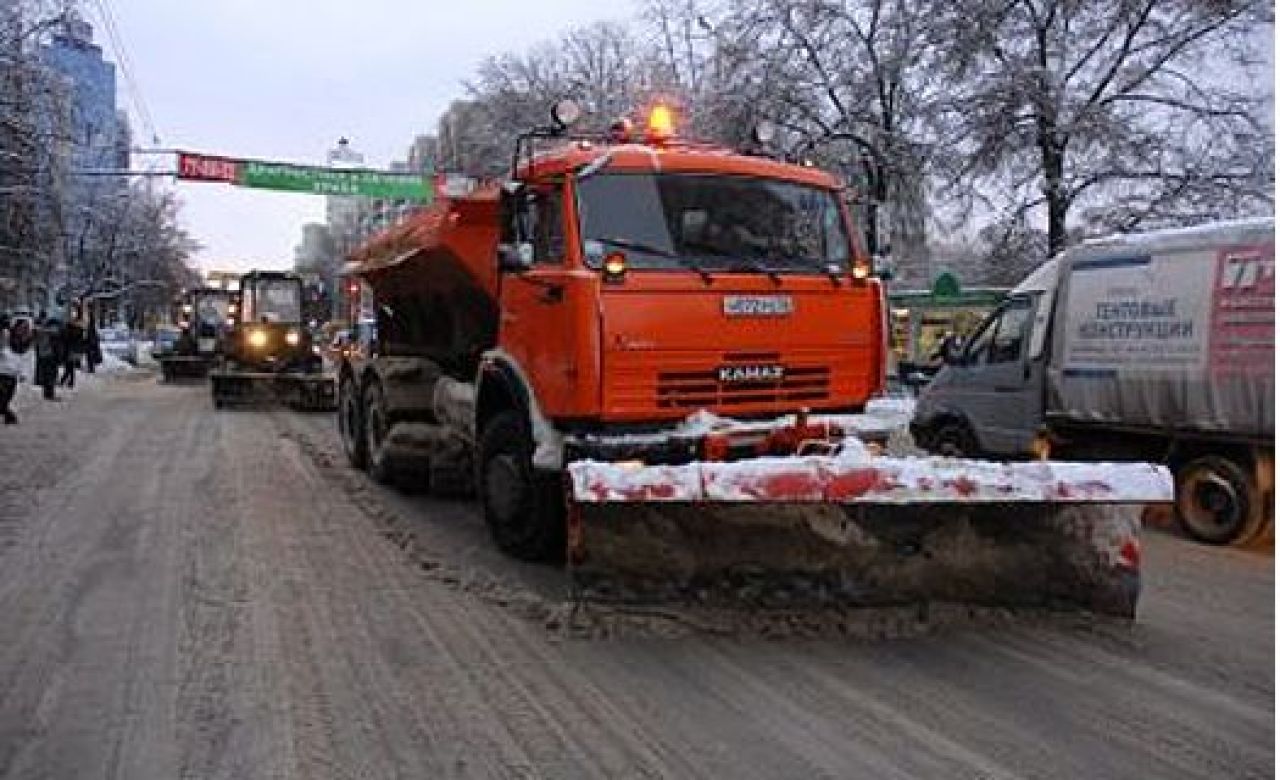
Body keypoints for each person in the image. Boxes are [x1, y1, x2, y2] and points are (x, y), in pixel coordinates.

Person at [0, 315, 21, 424]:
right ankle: (9, 416)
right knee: (4, 398)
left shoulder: (9, 335)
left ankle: (9, 416)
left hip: (8, 371)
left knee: (4, 398)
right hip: (8, 371)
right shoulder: (10, 335)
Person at [33, 314, 60, 401]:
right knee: (50, 375)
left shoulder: (39, 331)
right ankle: (49, 394)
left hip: (43, 355)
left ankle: (47, 393)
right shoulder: (47, 332)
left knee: (47, 375)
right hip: (49, 355)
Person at [59, 316, 85, 388]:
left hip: (70, 351)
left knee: (69, 367)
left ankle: (64, 381)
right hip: (73, 351)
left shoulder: (72, 331)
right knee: (70, 367)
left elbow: (66, 340)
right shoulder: (79, 330)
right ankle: (69, 382)